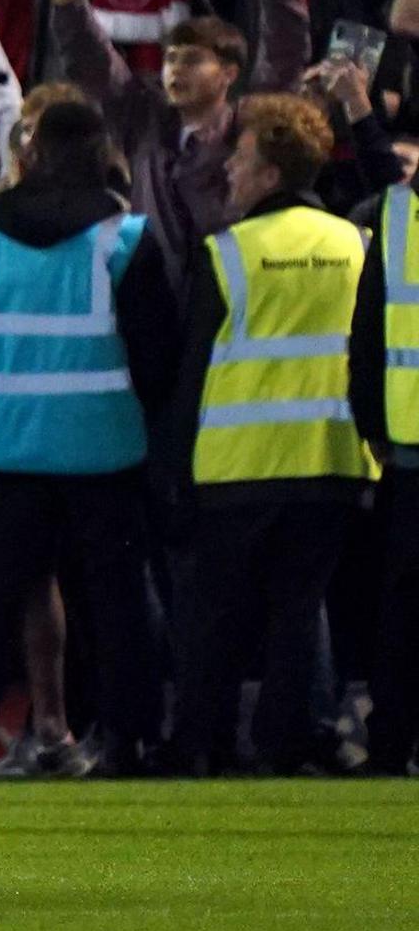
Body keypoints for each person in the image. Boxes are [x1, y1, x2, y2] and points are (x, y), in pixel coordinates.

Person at [0, 99, 159, 776]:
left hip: (11, 442)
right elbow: (159, 351)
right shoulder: (122, 237)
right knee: (117, 598)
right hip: (105, 441)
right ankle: (127, 740)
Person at [162, 94, 371, 774]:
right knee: (299, 611)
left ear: (273, 174)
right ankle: (290, 740)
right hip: (331, 458)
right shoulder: (356, 245)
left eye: (242, 161)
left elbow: (194, 369)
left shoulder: (228, 252)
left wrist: (173, 466)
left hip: (237, 464)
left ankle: (204, 742)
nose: (230, 172)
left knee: (218, 619)